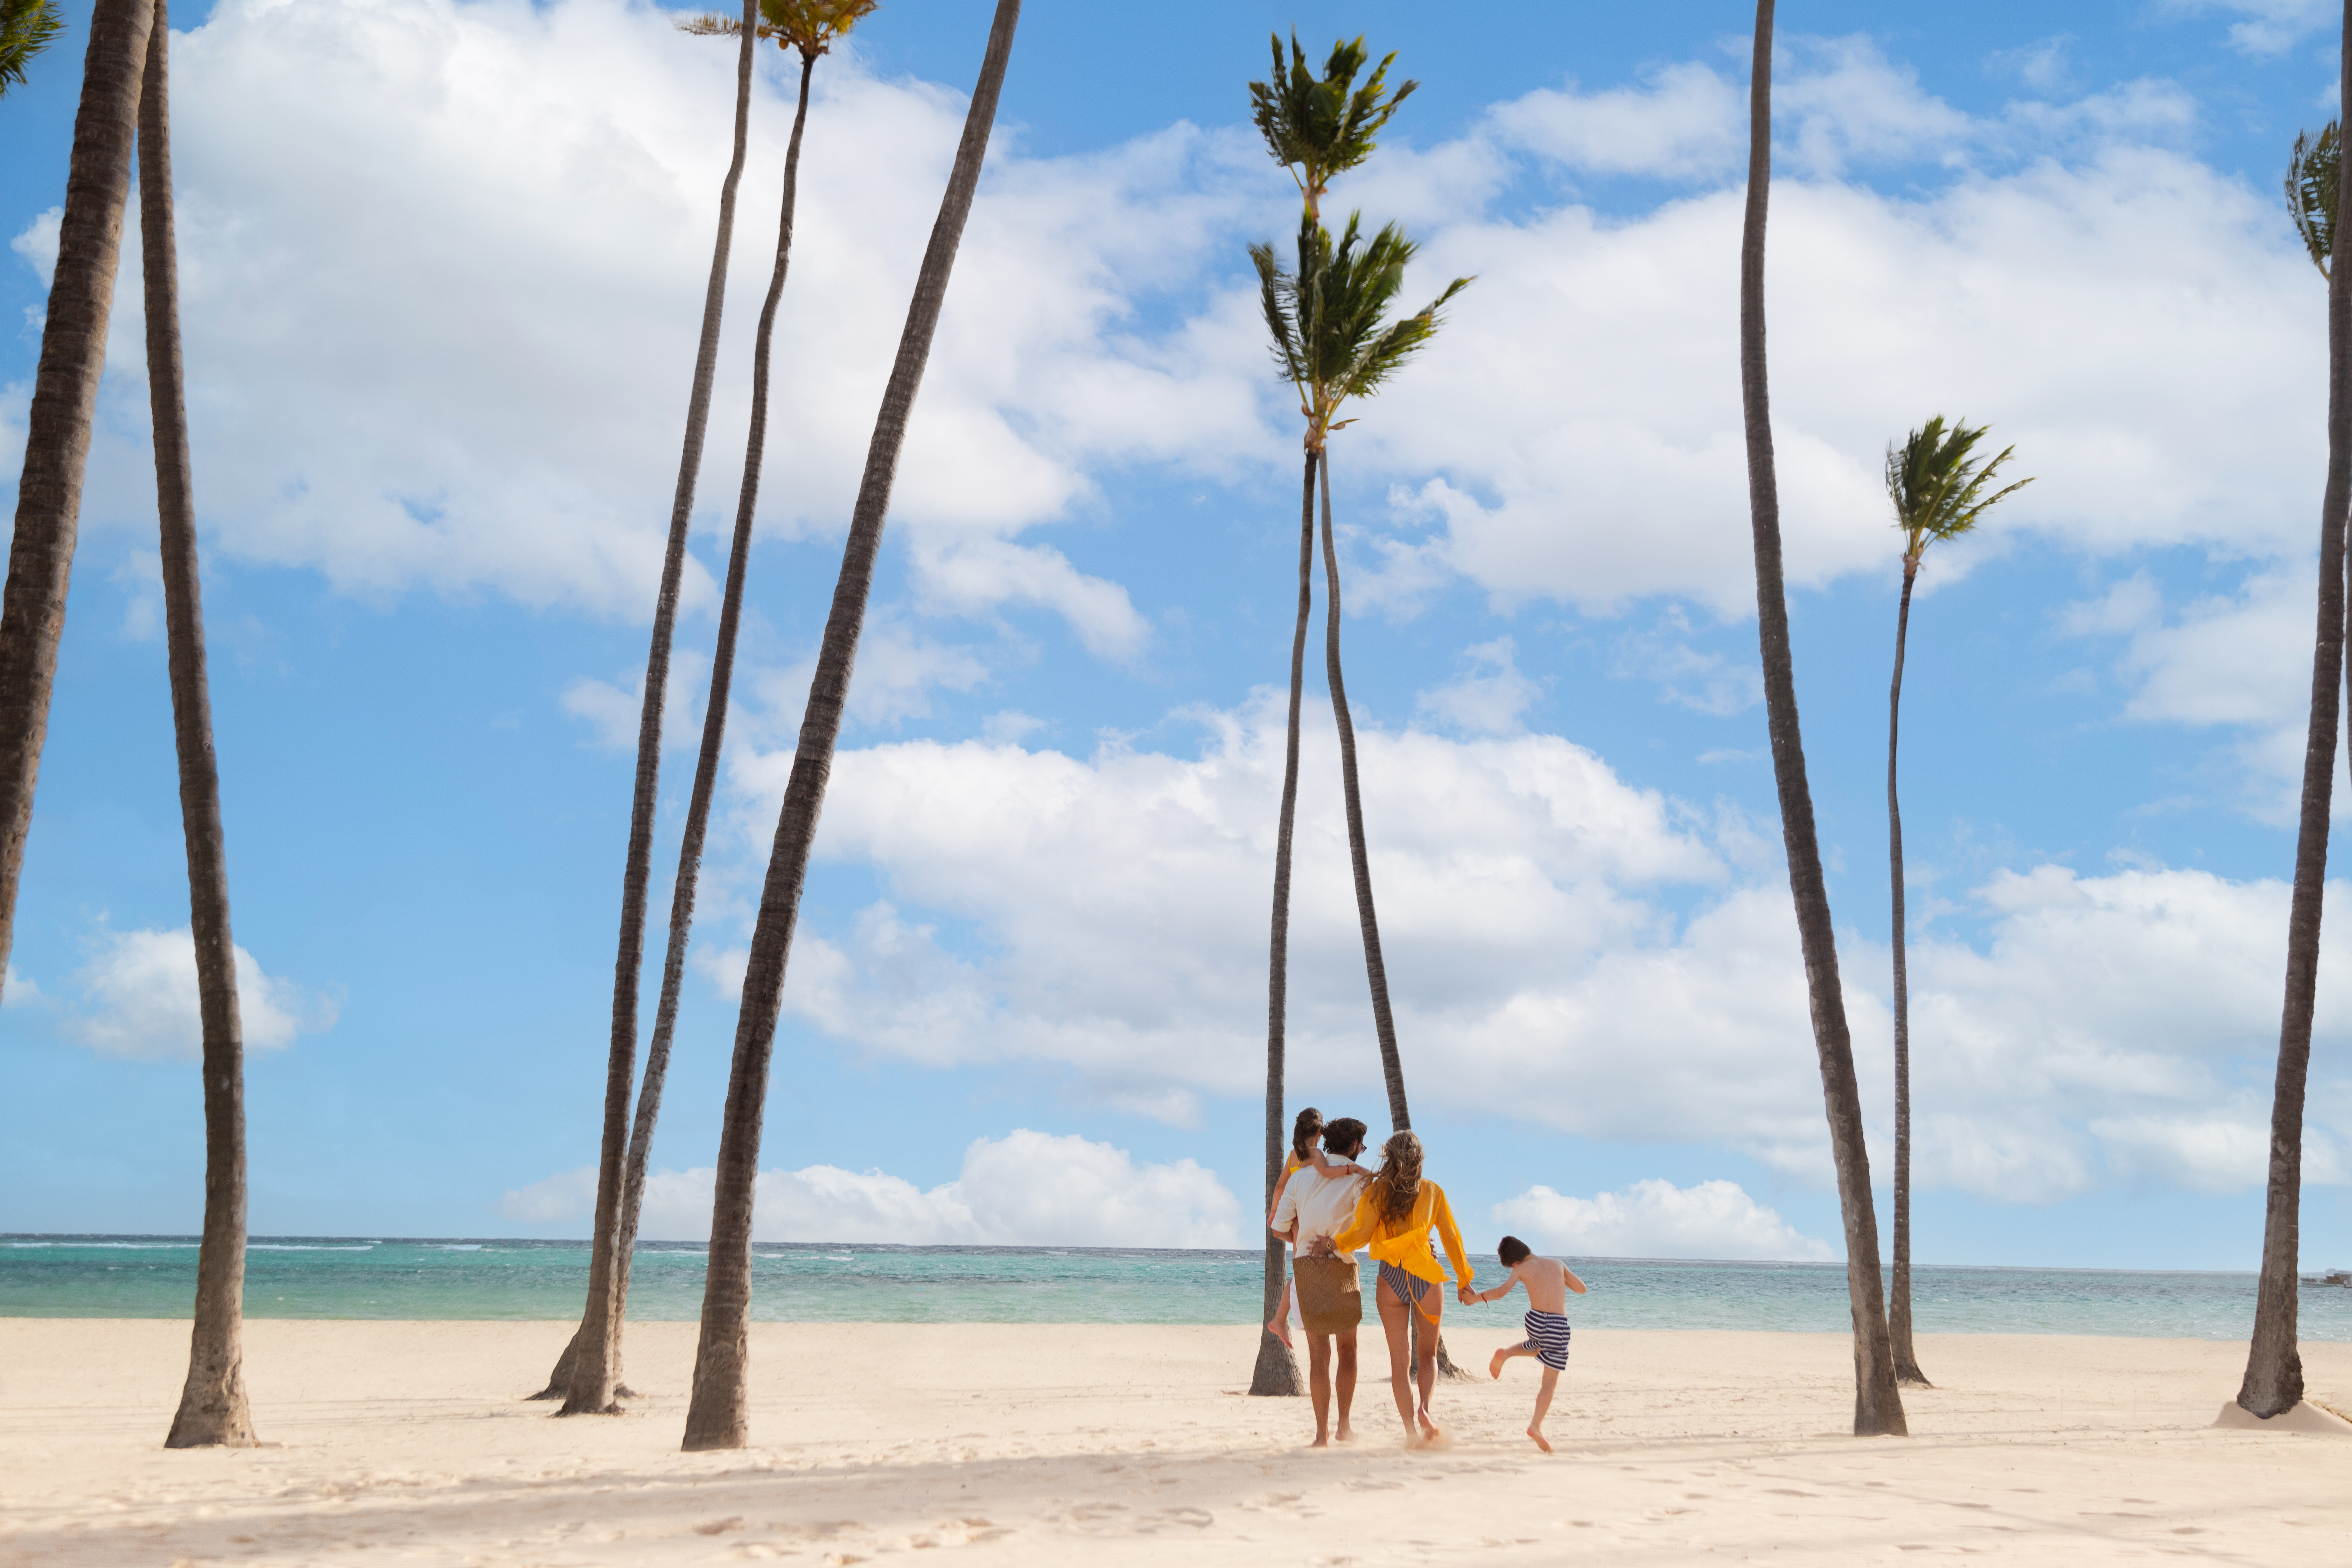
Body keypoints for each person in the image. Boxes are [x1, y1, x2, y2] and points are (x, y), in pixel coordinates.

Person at [1314, 1130, 1472, 1447]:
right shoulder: (1432, 1191)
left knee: (1399, 1362)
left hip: (1391, 1278)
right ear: (1419, 1159)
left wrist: (1332, 1243)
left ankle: (1411, 1433)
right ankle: (1425, 1410)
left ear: (1389, 1156)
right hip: (1425, 1274)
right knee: (1427, 1356)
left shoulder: (1376, 1192)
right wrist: (1464, 1279)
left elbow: (1359, 1233)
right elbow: (1452, 1238)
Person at [1270, 1117, 1372, 1446]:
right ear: (1355, 1146)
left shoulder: (1300, 1178)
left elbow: (1277, 1228)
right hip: (1343, 1270)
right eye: (1362, 1146)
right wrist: (1334, 1242)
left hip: (1307, 1271)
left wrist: (1302, 1242)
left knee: (1318, 1356)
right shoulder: (1359, 1180)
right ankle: (1343, 1426)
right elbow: (1364, 1233)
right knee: (1348, 1351)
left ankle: (1321, 1435)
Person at [1468, 1234, 1587, 1452]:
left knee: (1540, 1345)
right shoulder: (1558, 1263)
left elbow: (1501, 1292)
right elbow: (1582, 1289)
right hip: (1558, 1326)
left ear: (1514, 1263)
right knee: (1549, 1383)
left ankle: (1506, 1353)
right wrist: (1561, 1280)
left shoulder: (1521, 1269)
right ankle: (1536, 1426)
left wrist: (1474, 1299)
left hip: (1536, 1321)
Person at [1263, 1108, 1366, 1349]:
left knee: (1302, 1262)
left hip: (1298, 1208)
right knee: (1347, 1351)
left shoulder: (1293, 1157)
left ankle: (1279, 1319)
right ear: (1320, 1134)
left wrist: (1273, 1212)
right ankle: (1279, 1320)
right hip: (1307, 1216)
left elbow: (1279, 1188)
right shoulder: (1316, 1154)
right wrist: (1355, 1170)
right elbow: (1329, 1173)